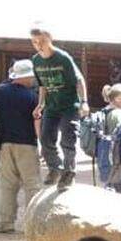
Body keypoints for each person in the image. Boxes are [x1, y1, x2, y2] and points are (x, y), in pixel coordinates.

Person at [30, 22, 90, 190]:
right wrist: (40, 104)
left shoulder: (62, 58)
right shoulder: (36, 61)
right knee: (46, 138)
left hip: (69, 106)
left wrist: (84, 102)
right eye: (34, 42)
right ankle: (55, 168)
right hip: (52, 106)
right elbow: (42, 85)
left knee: (68, 139)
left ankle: (69, 172)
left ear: (49, 39)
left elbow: (79, 80)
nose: (38, 45)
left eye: (41, 41)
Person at [0, 59, 41, 233]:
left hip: (4, 143)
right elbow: (37, 121)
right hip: (26, 144)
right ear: (26, 77)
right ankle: (32, 224)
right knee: (31, 184)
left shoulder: (0, 91)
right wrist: (40, 142)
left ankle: (6, 222)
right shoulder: (33, 96)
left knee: (8, 184)